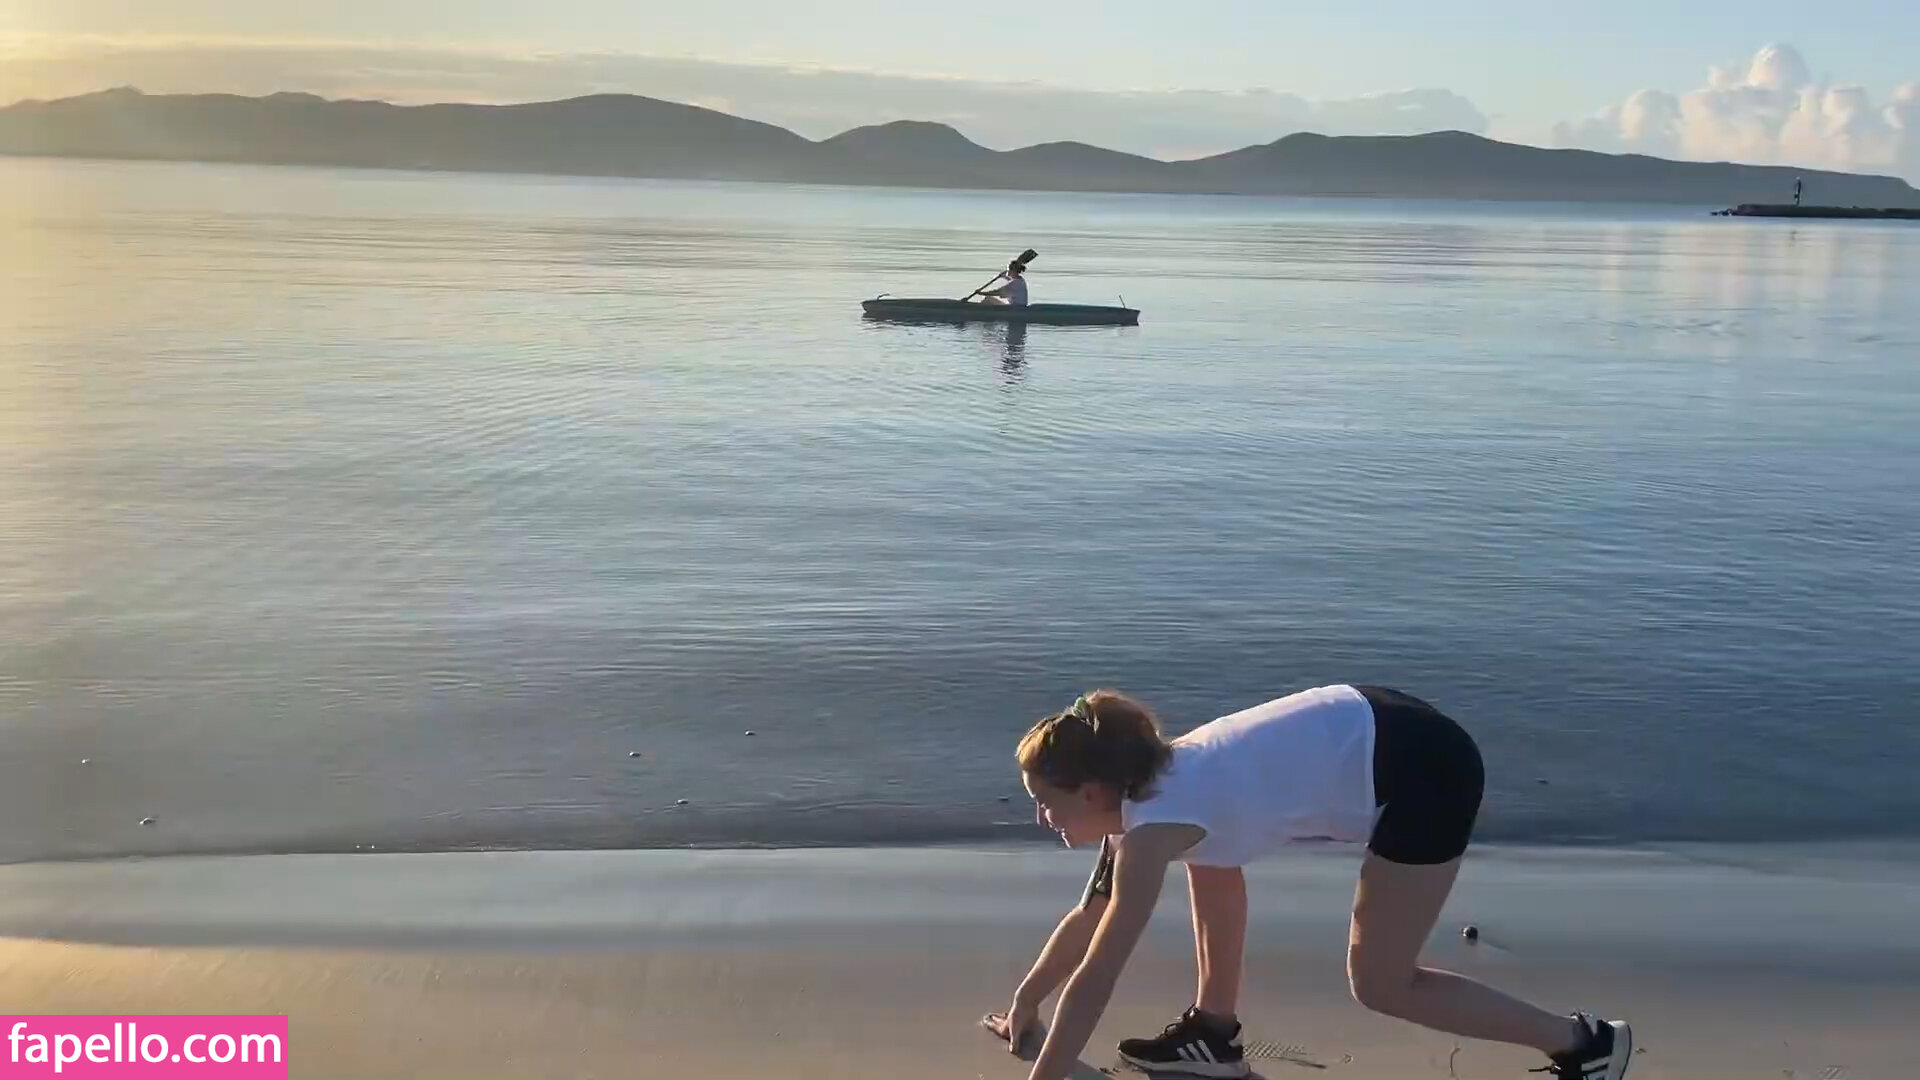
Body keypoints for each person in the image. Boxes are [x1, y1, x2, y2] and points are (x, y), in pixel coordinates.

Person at [981, 685, 1633, 1080]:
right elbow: (1087, 919)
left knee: (1381, 983)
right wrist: (1025, 1003)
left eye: (1045, 802)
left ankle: (1586, 1044)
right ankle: (1213, 1032)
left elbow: (1098, 974)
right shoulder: (1143, 784)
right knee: (1212, 862)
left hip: (1424, 770)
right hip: (1377, 721)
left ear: (1091, 792)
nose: (1040, 818)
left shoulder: (1152, 834)